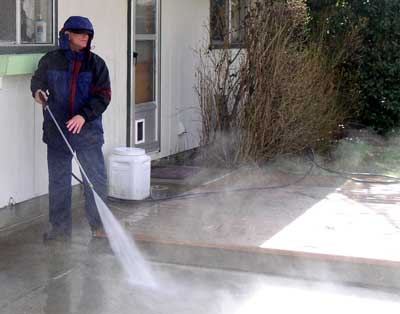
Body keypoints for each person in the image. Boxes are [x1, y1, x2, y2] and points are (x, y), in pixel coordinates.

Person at [31, 16, 111, 240]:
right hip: (57, 132)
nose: (86, 36)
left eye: (88, 33)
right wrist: (38, 92)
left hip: (88, 133)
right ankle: (60, 230)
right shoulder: (51, 61)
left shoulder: (96, 64)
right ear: (67, 36)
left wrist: (83, 116)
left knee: (94, 180)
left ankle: (100, 227)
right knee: (59, 182)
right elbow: (37, 82)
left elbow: (103, 96)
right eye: (80, 33)